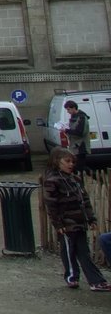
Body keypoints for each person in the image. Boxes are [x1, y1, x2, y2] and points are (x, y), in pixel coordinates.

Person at [42, 146, 111, 291]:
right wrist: (58, 224)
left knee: (83, 252)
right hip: (66, 223)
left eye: (72, 162)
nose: (71, 164)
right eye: (67, 161)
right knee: (69, 251)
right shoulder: (52, 181)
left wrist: (91, 219)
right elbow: (51, 205)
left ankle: (96, 281)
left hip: (80, 222)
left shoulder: (75, 179)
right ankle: (72, 277)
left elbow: (85, 200)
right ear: (57, 162)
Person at [64, 101, 91, 175]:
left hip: (81, 146)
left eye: (68, 109)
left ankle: (82, 182)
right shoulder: (74, 116)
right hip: (74, 146)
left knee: (80, 167)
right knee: (78, 167)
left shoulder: (82, 117)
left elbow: (80, 132)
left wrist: (67, 130)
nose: (68, 111)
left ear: (74, 108)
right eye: (67, 109)